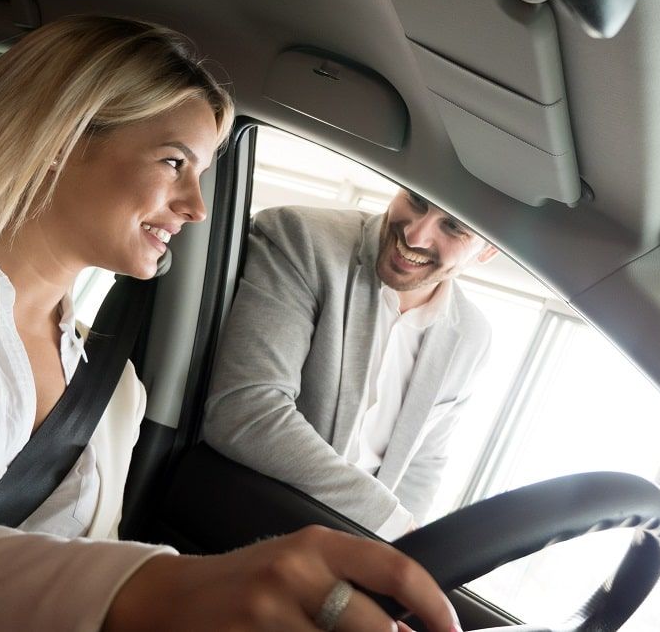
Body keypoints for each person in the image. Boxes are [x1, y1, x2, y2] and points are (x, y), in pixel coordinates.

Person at [0, 15, 459, 632]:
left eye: (198, 175)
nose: (197, 207)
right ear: (62, 137)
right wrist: (143, 590)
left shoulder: (118, 399)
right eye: (174, 162)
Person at [204, 192, 497, 538]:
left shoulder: (472, 337)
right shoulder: (303, 238)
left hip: (347, 550)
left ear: (488, 250)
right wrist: (390, 523)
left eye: (453, 227)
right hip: (238, 525)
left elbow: (422, 465)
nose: (415, 235)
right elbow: (246, 410)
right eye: (417, 201)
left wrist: (401, 551)